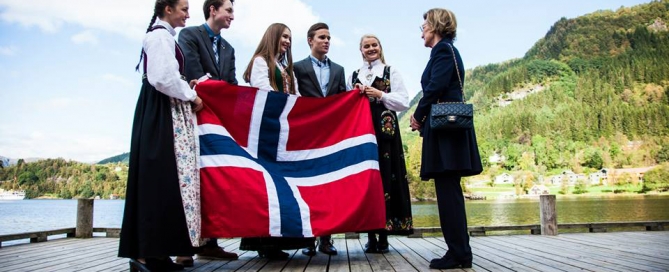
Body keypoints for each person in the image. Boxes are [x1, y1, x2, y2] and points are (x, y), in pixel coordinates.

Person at [118, 0, 204, 271]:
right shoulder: (159, 37)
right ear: (167, 8)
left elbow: (167, 76)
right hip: (159, 111)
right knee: (158, 177)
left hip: (160, 107)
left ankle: (156, 252)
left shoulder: (164, 37)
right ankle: (145, 254)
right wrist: (191, 95)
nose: (188, 14)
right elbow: (162, 78)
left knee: (163, 180)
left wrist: (183, 85)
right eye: (184, 8)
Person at [409, 8, 483, 269]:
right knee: (449, 192)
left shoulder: (442, 51)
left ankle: (459, 253)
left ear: (436, 26)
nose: (422, 34)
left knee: (448, 192)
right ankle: (460, 251)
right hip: (449, 132)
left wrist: (418, 115)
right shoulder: (447, 50)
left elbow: (435, 87)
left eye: (424, 27)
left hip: (446, 134)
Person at [239, 23, 313, 260]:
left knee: (283, 185)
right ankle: (264, 243)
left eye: (290, 38)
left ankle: (281, 240)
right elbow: (262, 92)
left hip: (284, 131)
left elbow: (297, 97)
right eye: (284, 37)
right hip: (267, 131)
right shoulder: (261, 61)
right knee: (266, 186)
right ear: (273, 36)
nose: (288, 42)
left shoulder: (286, 68)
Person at [175, 0, 238, 266]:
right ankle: (184, 247)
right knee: (190, 179)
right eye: (229, 10)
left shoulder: (229, 49)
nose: (232, 17)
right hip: (192, 116)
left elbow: (232, 83)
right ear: (213, 9)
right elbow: (192, 72)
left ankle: (210, 243)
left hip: (218, 123)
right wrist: (216, 90)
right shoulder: (189, 35)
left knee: (215, 177)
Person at [347, 34, 414, 254]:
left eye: (374, 45)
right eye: (366, 46)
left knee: (387, 177)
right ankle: (370, 235)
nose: (371, 48)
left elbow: (403, 101)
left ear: (380, 47)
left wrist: (380, 94)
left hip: (386, 132)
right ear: (361, 50)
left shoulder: (390, 71)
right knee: (367, 178)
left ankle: (383, 236)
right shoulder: (354, 75)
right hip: (363, 131)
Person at [292, 22, 346, 257]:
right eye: (322, 37)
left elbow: (344, 99)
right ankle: (308, 240)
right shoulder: (297, 68)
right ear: (310, 40)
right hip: (306, 136)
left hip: (332, 136)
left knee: (330, 186)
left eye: (329, 38)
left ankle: (327, 240)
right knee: (307, 186)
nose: (326, 41)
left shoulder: (339, 70)